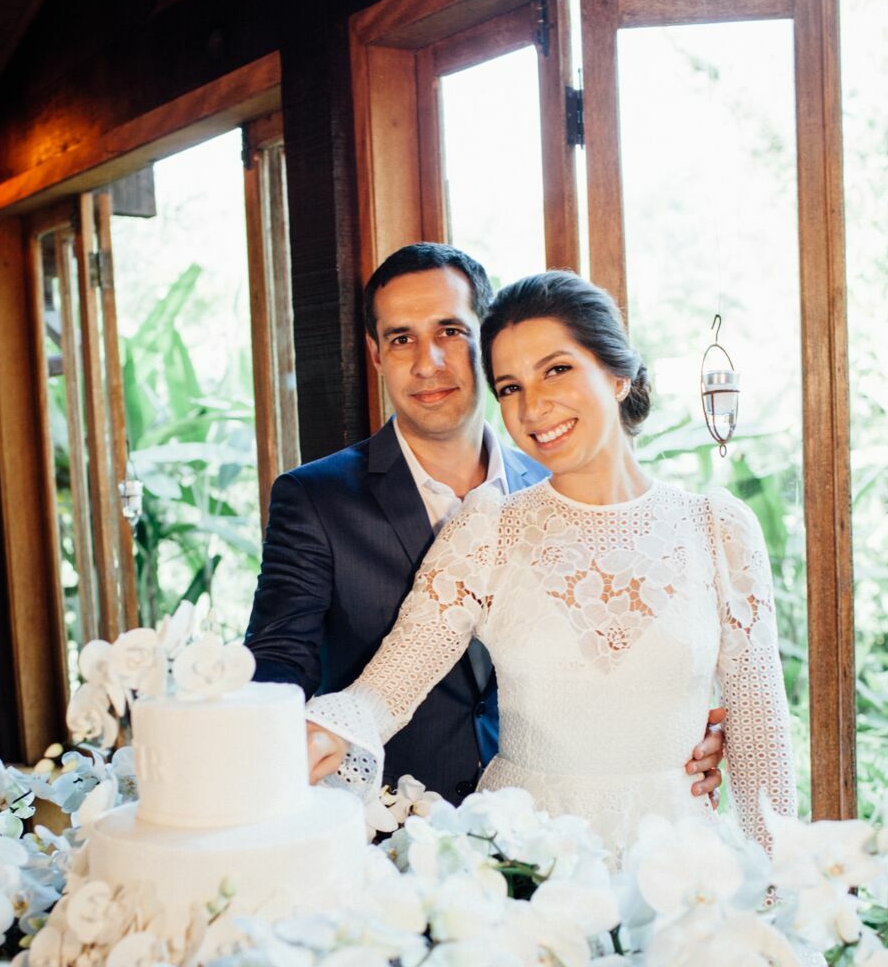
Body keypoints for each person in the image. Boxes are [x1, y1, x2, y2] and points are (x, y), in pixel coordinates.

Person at [304, 269, 796, 967]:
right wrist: (282, 744)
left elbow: (762, 752)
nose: (529, 406)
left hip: (675, 892)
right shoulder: (490, 527)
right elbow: (383, 689)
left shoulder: (719, 529)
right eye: (508, 382)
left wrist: (791, 916)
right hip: (523, 890)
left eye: (556, 371)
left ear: (620, 375)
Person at [247, 243, 727, 805]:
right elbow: (280, 665)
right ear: (376, 354)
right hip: (390, 822)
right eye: (402, 338)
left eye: (450, 330)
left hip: (570, 822)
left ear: (486, 341)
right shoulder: (315, 498)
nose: (428, 362)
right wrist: (280, 752)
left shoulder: (574, 484)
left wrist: (691, 734)